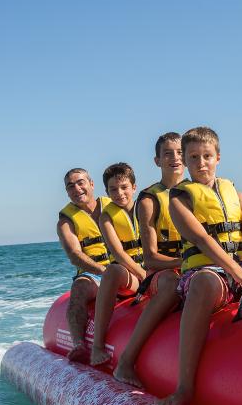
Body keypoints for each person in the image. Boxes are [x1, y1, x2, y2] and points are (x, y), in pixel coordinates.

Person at [155, 126, 242, 405]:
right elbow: (201, 239)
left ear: (218, 157)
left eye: (206, 156)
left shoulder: (236, 195)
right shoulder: (179, 199)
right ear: (186, 161)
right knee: (204, 284)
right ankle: (184, 386)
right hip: (207, 269)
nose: (201, 163)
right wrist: (236, 272)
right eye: (193, 158)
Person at [113, 132, 187, 388]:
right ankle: (126, 360)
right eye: (168, 153)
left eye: (179, 152)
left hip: (199, 268)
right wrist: (182, 263)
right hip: (163, 272)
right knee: (170, 287)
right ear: (157, 161)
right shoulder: (149, 200)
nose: (175, 158)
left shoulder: (198, 192)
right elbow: (151, 258)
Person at [90, 162, 146, 366]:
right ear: (106, 192)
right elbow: (118, 253)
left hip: (154, 272)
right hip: (130, 277)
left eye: (124, 187)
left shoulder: (146, 207)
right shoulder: (106, 217)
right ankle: (97, 346)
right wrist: (142, 273)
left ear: (134, 187)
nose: (119, 193)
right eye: (113, 189)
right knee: (112, 271)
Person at [56, 168, 111, 363]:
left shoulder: (113, 205)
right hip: (94, 275)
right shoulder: (65, 222)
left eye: (80, 182)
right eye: (70, 186)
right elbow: (74, 255)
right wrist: (104, 272)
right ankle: (79, 344)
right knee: (78, 288)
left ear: (91, 184)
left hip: (126, 266)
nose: (76, 188)